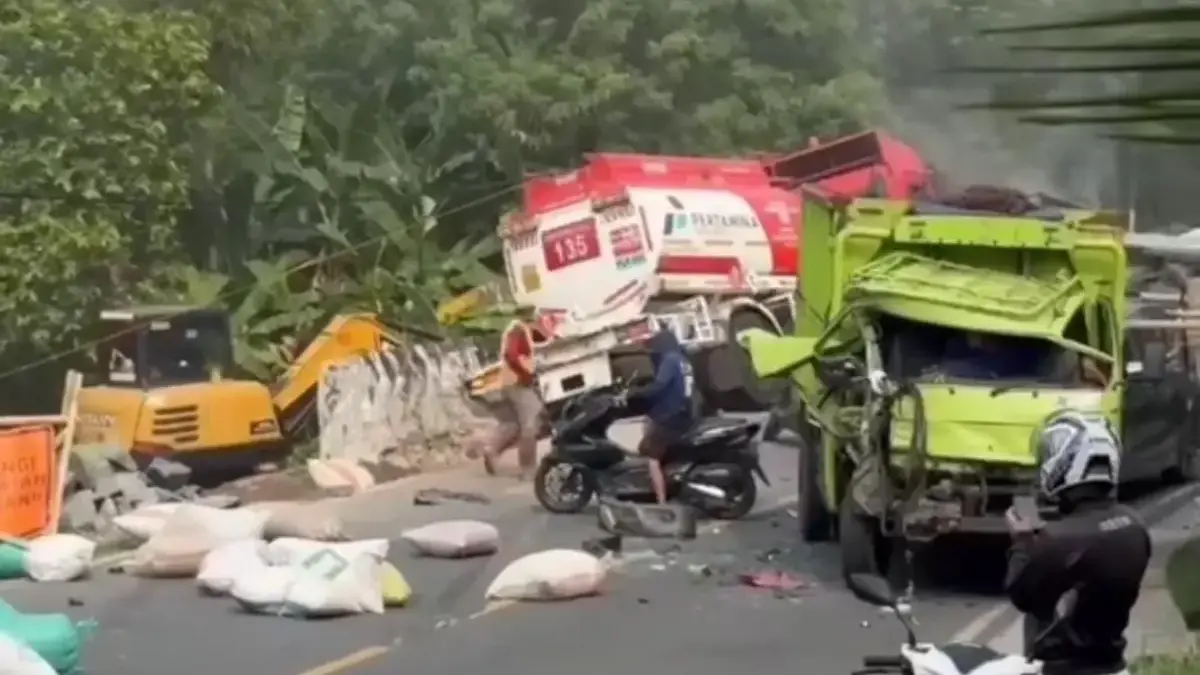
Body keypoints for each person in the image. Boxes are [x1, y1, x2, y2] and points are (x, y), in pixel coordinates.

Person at [1004, 410, 1150, 675]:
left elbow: (1021, 593)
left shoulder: (1061, 539)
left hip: (1065, 668)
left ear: (1064, 463)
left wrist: (1022, 542)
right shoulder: (1135, 525)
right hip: (1113, 665)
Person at [629, 329, 694, 504]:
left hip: (673, 416)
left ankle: (661, 500)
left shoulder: (670, 359)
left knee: (652, 456)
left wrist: (638, 393)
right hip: (685, 412)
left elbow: (659, 385)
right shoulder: (683, 360)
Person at [482, 314, 546, 480]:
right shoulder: (519, 330)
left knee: (513, 425)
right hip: (518, 382)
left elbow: (540, 339)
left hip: (508, 382)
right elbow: (513, 355)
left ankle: (492, 450)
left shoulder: (514, 328)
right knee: (531, 423)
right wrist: (527, 376)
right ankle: (528, 469)